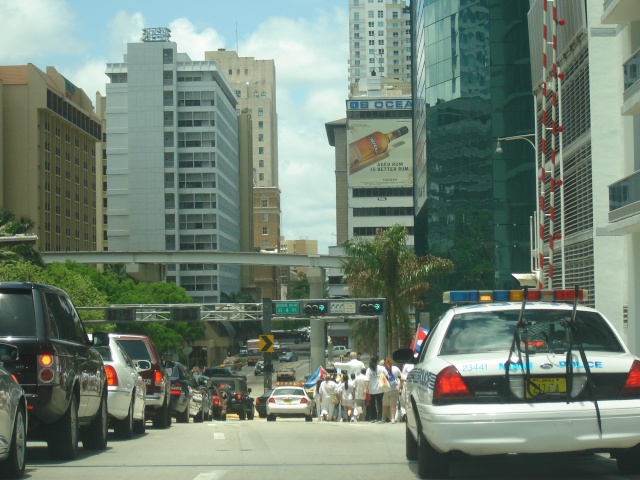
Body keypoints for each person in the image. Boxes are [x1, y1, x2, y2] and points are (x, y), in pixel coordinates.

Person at [365, 356, 387, 423]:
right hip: (380, 389)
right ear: (377, 361)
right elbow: (387, 375)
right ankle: (379, 418)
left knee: (372, 404)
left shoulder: (369, 370)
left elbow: (367, 380)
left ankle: (373, 417)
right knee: (380, 404)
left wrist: (366, 389)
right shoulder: (382, 368)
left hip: (372, 390)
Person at [381, 357, 402, 423]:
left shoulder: (383, 369)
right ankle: (392, 418)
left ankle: (383, 418)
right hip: (395, 389)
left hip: (386, 389)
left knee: (385, 405)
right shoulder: (396, 368)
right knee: (393, 405)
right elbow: (401, 377)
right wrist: (400, 386)